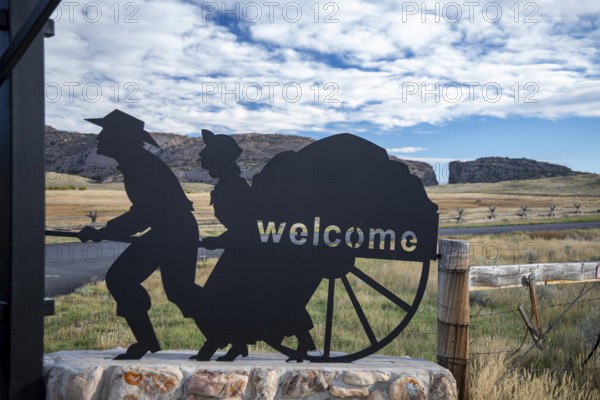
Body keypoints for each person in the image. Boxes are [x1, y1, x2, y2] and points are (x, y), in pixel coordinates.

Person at [78, 110, 201, 360]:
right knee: (172, 289)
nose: (100, 137)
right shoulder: (137, 163)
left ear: (120, 137)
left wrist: (105, 231)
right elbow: (145, 212)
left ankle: (225, 331)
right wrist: (107, 231)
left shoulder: (141, 166)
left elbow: (145, 213)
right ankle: (148, 342)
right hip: (170, 231)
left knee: (174, 290)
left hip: (174, 233)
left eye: (106, 131)